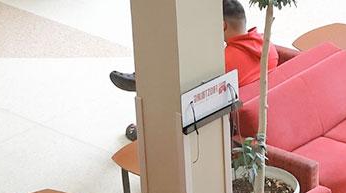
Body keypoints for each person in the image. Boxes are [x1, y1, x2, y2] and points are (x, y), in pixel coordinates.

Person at [109, 0, 280, 137]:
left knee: (173, 90)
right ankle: (146, 79)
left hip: (217, 110)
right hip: (252, 100)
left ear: (222, 25)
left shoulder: (224, 60)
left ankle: (147, 88)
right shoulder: (268, 47)